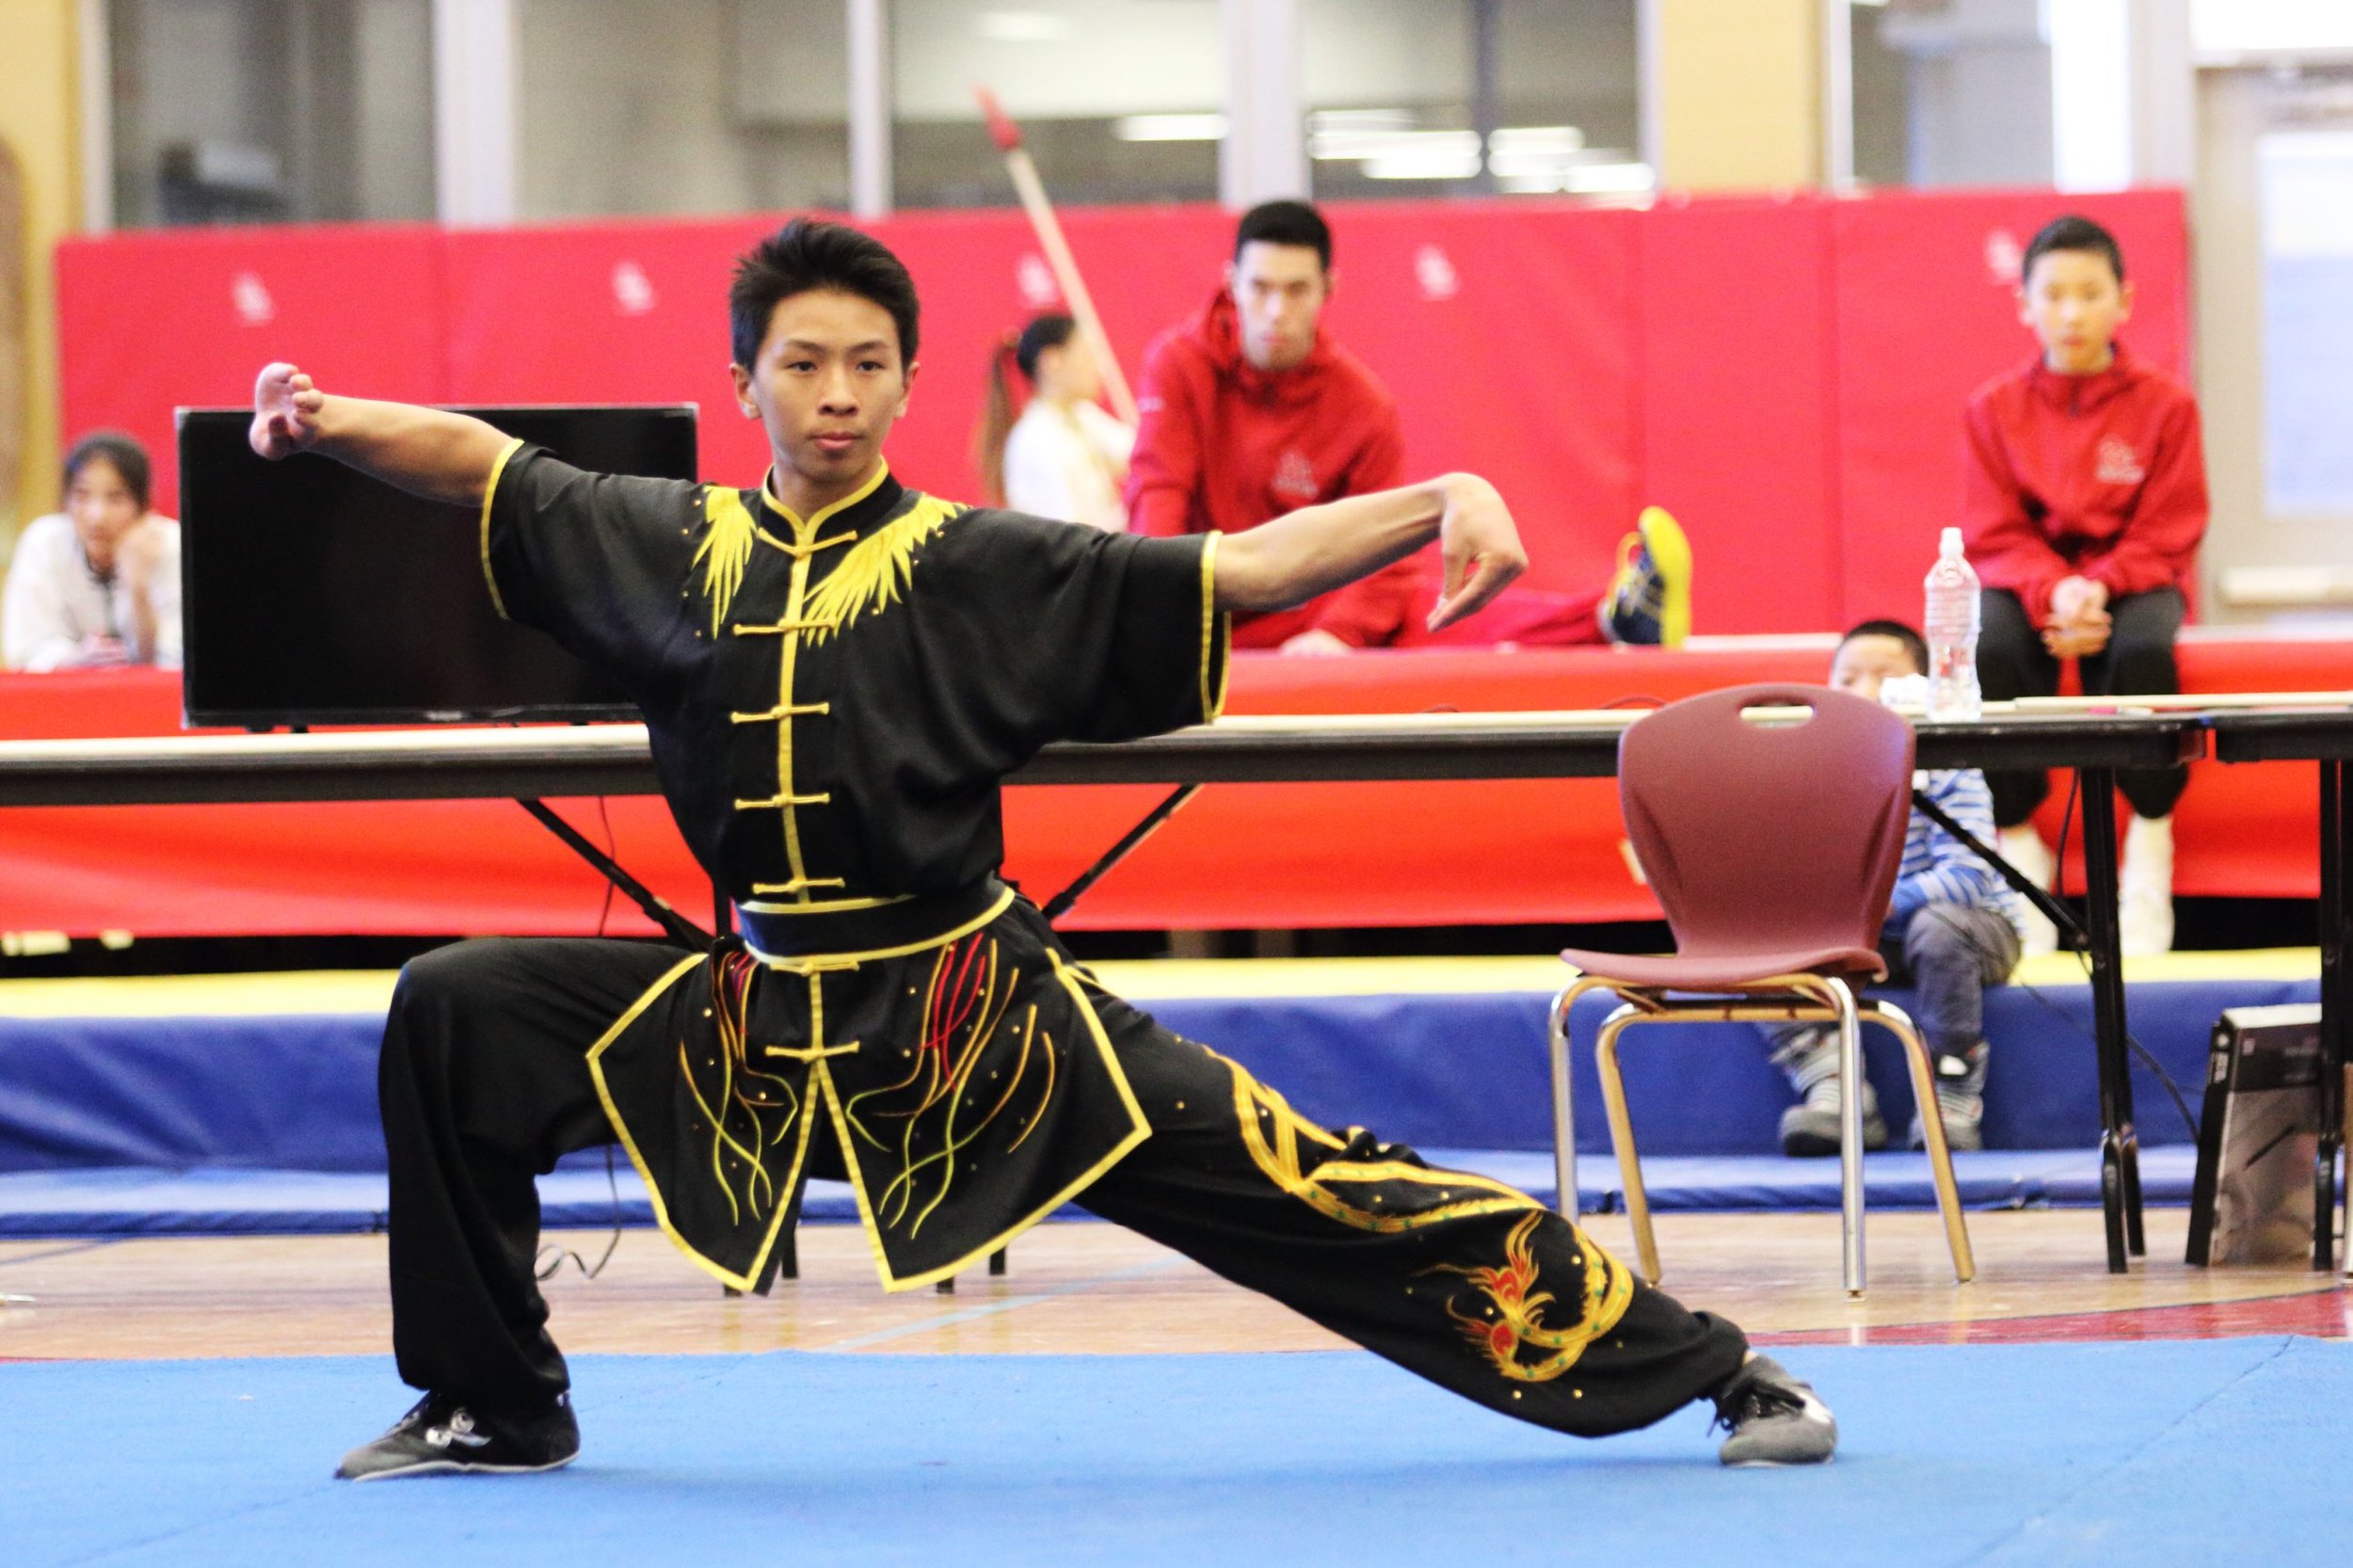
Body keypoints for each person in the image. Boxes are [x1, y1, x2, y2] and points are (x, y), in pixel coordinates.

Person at [250, 217, 1832, 1480]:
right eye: (803, 364)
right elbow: (479, 462)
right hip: (745, 1012)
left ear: (908, 381)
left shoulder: (987, 563)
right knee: (456, 1007)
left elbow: (1246, 564)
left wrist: (1448, 494)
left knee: (1315, 1183)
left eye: (870, 363)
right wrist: (323, 422)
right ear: (747, 384)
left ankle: (1707, 1365)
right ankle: (494, 1404)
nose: (838, 393)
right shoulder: (661, 542)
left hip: (981, 1023)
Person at [1126, 200, 1689, 653]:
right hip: (1210, 609)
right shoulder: (1178, 364)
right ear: (1232, 283)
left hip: (1308, 610)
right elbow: (1158, 497)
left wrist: (1335, 637)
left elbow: (1387, 553)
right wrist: (1165, 612)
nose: (1276, 310)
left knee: (1430, 608)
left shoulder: (1362, 403)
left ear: (1329, 289)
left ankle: (1615, 617)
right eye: (1260, 287)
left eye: (1296, 290)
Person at [1962, 214, 2207, 958]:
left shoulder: (2167, 406)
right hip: (2030, 582)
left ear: (2124, 299)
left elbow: (2171, 525)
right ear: (2024, 304)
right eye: (2055, 294)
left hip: (2132, 580)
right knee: (1992, 650)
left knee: (2141, 656)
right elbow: (1992, 530)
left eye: (2090, 293)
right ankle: (2020, 851)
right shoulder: (1993, 409)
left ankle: (2149, 846)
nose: (2072, 312)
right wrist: (2053, 591)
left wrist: (2097, 588)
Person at [1769, 621, 2028, 1158]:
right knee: (1760, 925)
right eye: (1848, 679)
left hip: (1968, 930)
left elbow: (1968, 875)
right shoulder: (1809, 773)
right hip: (1867, 938)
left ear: (1924, 689)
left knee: (1939, 927)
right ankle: (1835, 1088)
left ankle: (1952, 1091)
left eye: (1885, 677)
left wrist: (1872, 906)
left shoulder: (1949, 762)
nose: (1865, 691)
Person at [2, 431, 182, 671]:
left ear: (143, 505)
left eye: (115, 498)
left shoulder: (171, 544)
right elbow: (26, 649)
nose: (97, 516)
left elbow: (175, 661)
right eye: (81, 495)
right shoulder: (45, 543)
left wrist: (137, 587)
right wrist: (75, 658)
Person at [975, 312, 1134, 532]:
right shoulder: (1034, 441)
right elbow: (1071, 538)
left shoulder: (1081, 415)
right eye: (1088, 355)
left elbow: (1138, 452)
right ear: (1052, 361)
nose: (1099, 368)